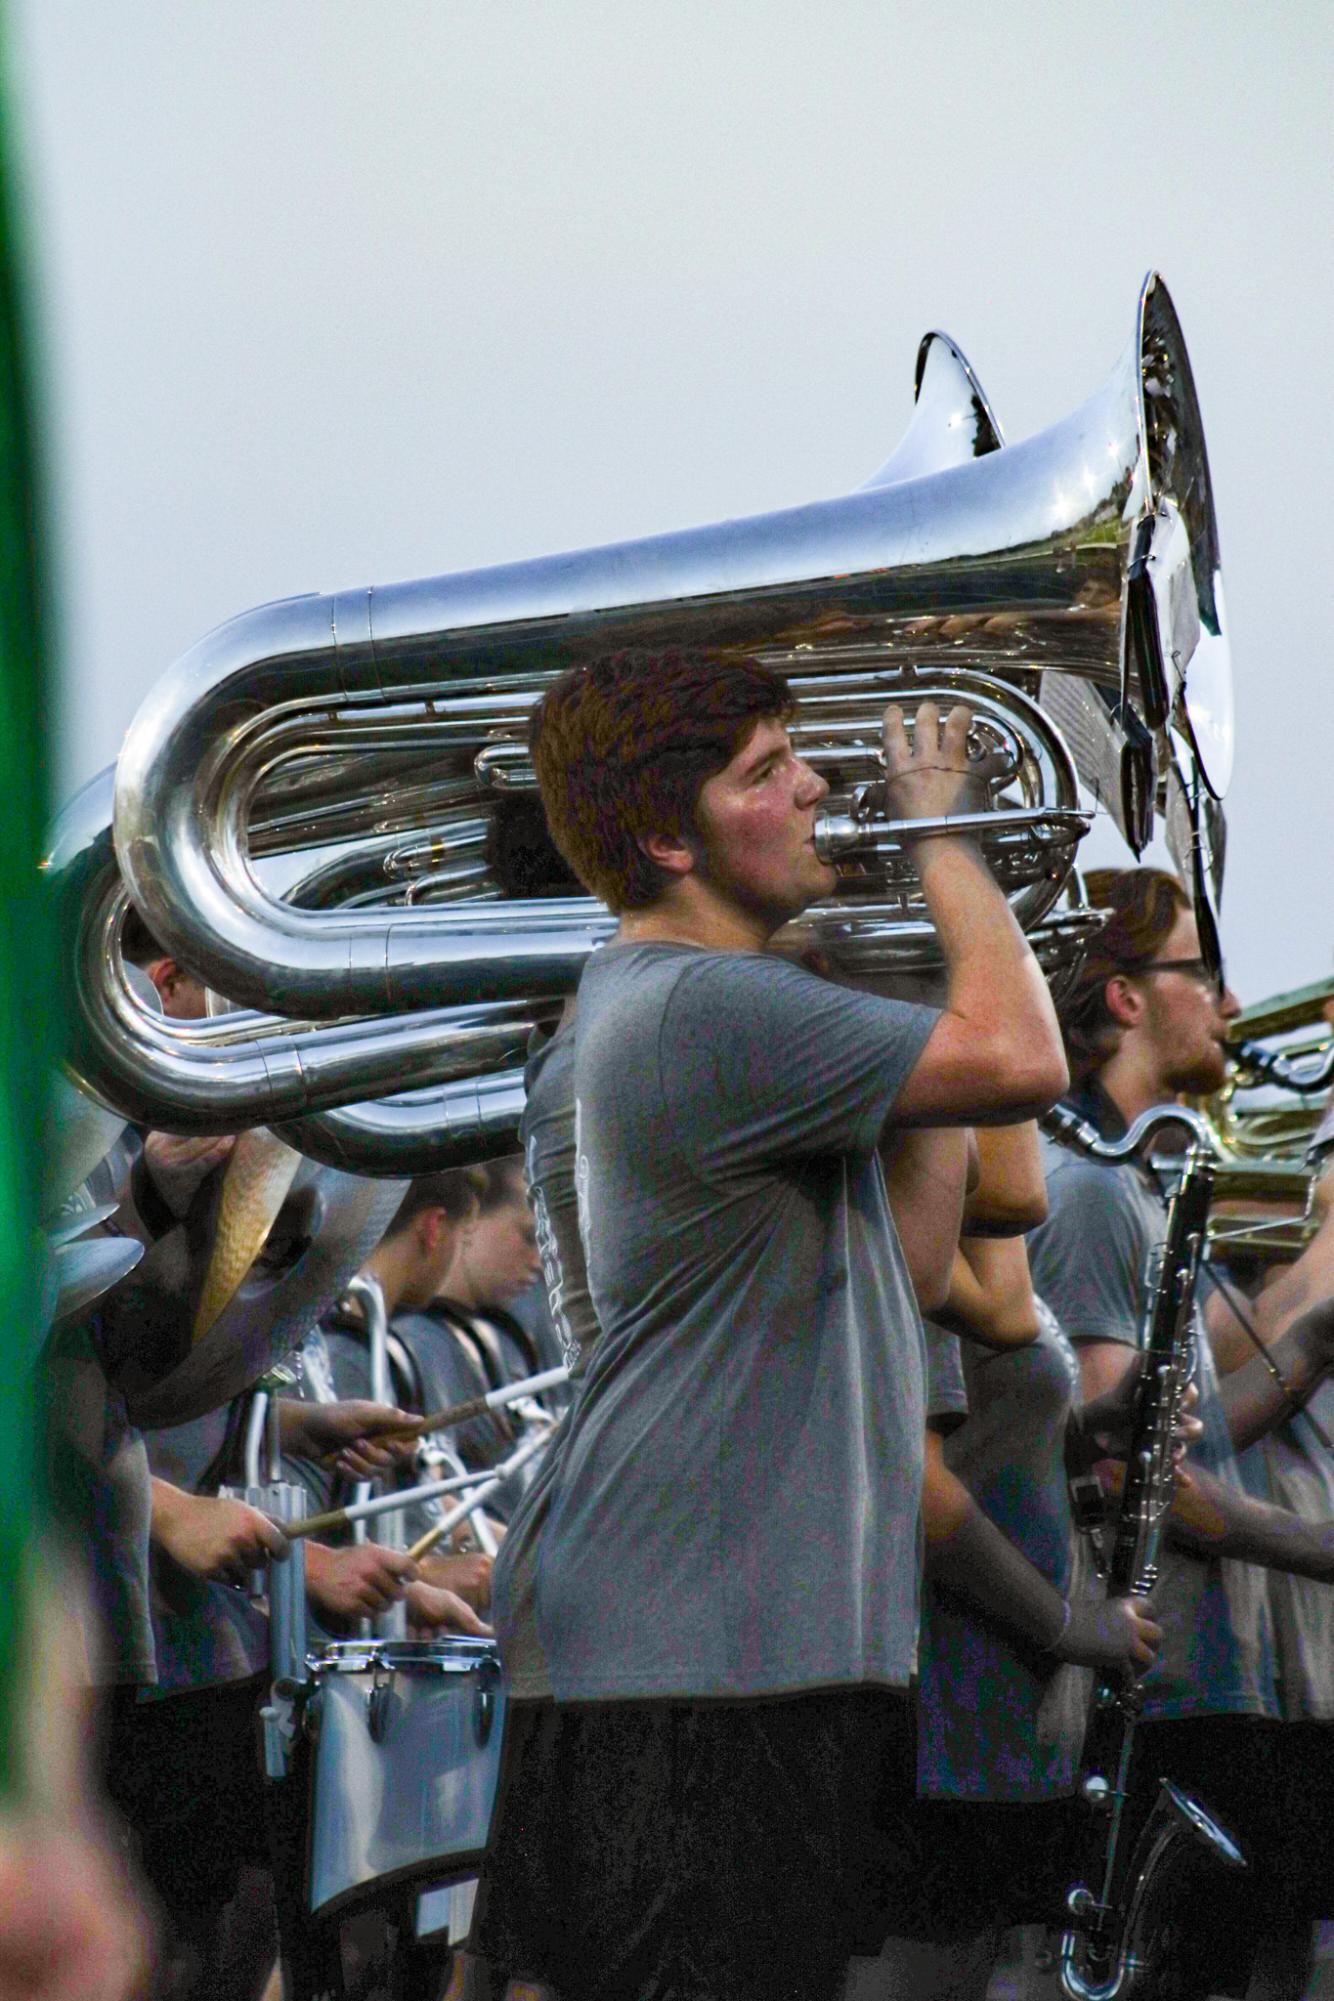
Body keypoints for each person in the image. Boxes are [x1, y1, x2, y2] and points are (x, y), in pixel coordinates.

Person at [472, 646, 1068, 2001]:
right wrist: (941, 834)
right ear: (663, 837)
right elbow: (1030, 1057)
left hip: (734, 1646)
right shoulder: (703, 1006)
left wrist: (906, 965)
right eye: (765, 771)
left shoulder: (724, 1006)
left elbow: (923, 1260)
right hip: (699, 1657)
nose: (817, 787)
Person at [1027, 866, 1334, 2000]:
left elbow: (1180, 1447)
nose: (1225, 1000)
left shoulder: (1136, 1181)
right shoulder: (1099, 1191)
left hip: (1200, 1678)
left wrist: (1304, 1345)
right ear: (1121, 998)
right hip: (1159, 1683)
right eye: (1197, 972)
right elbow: (1133, 1483)